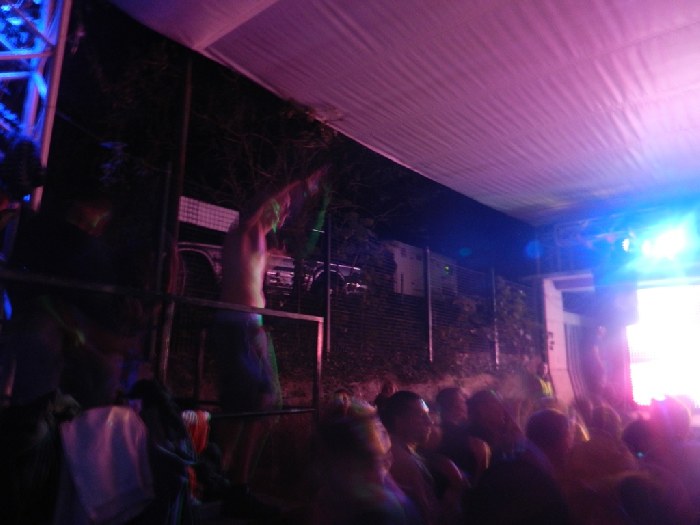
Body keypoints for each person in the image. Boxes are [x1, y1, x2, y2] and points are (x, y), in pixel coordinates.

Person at [208, 165, 327, 517]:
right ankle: (222, 479)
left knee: (263, 403)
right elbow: (265, 206)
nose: (283, 213)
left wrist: (276, 257)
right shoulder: (242, 232)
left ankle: (233, 481)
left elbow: (252, 272)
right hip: (237, 327)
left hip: (251, 327)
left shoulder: (257, 241)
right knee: (249, 405)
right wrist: (302, 186)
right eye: (280, 208)